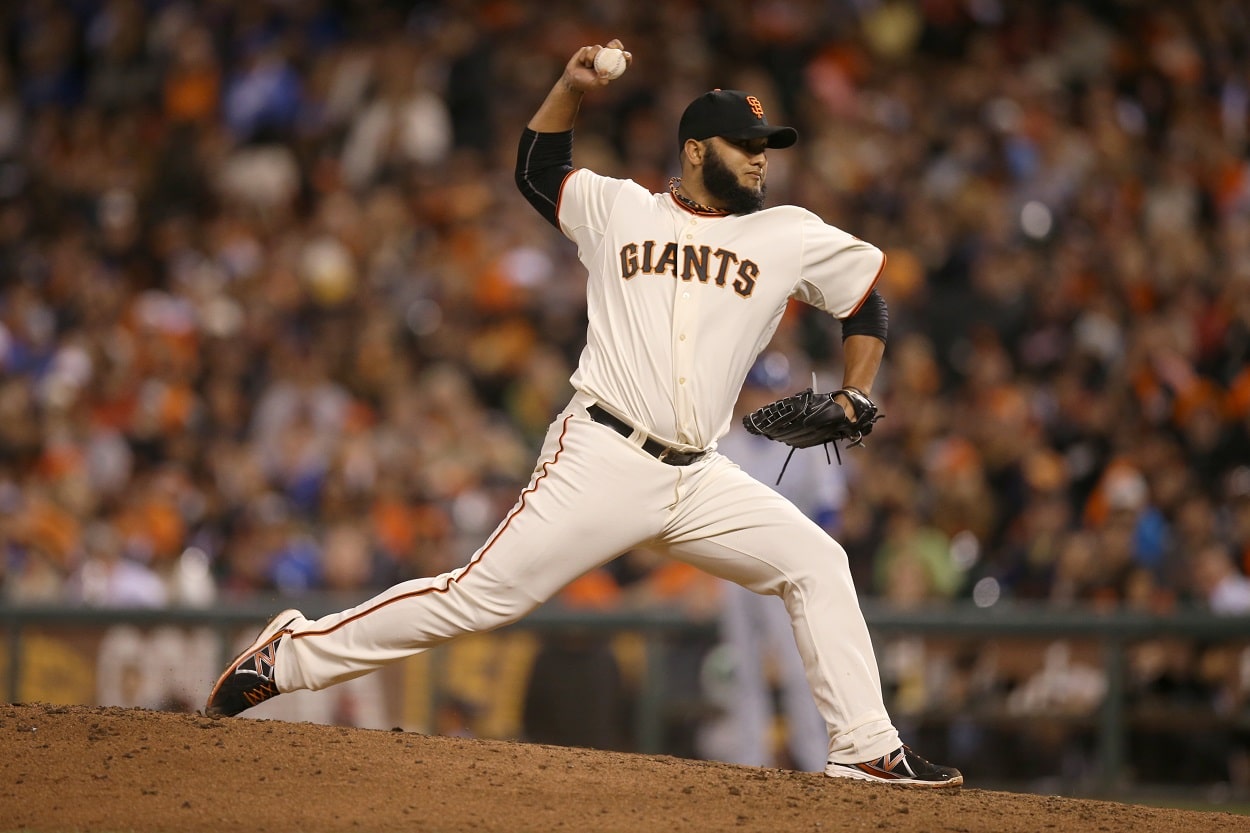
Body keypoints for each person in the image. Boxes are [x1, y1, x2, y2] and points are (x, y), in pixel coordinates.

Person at [205, 39, 962, 788]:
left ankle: (865, 746)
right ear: (696, 149)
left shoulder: (785, 233)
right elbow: (536, 170)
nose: (762, 159)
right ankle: (291, 654)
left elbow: (865, 298)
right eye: (747, 145)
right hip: (603, 452)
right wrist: (569, 87)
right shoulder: (620, 206)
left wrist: (858, 391)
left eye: (768, 146)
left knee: (817, 562)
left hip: (700, 475)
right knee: (480, 595)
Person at [696, 352, 840, 772]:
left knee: (802, 669)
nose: (767, 399)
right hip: (737, 568)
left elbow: (832, 513)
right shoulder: (725, 444)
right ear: (745, 396)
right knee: (742, 666)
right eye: (760, 389)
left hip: (791, 569)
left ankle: (815, 760)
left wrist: (819, 572)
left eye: (774, 390)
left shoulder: (812, 444)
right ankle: (749, 759)